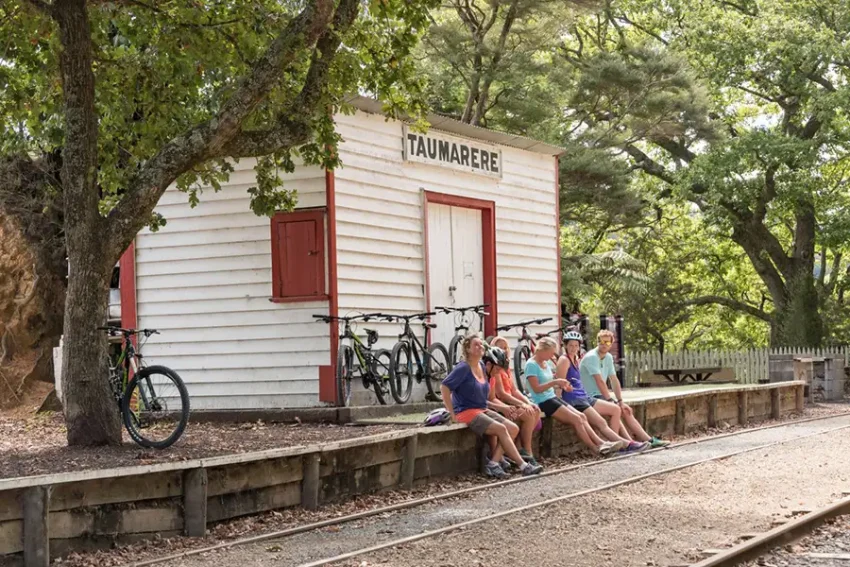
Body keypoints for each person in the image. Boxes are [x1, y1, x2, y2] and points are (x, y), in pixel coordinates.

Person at [441, 335, 544, 478]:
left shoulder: (482, 367)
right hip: (465, 411)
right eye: (475, 345)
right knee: (501, 429)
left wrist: (502, 408)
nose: (480, 347)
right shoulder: (464, 368)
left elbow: (485, 399)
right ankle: (524, 466)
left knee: (513, 428)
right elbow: (445, 387)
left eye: (481, 345)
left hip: (481, 409)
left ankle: (493, 463)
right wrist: (451, 412)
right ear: (468, 349)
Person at [524, 337, 625, 457]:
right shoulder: (531, 365)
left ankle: (602, 443)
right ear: (542, 350)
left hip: (552, 397)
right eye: (551, 352)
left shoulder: (544, 363)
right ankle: (595, 448)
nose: (552, 356)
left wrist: (563, 385)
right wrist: (555, 383)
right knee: (576, 420)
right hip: (543, 401)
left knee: (582, 416)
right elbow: (536, 388)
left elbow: (550, 382)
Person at [556, 330, 648, 452]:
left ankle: (625, 443)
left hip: (583, 397)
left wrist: (619, 400)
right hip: (574, 400)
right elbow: (559, 384)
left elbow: (612, 379)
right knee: (601, 422)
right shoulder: (564, 360)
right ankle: (625, 444)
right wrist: (561, 402)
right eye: (570, 345)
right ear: (565, 346)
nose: (573, 348)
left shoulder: (575, 359)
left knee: (616, 409)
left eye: (576, 345)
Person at [579, 329, 669, 448]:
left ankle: (646, 441)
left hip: (600, 395)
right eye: (601, 342)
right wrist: (611, 400)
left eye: (607, 342)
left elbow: (614, 379)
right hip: (589, 396)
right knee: (615, 409)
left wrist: (620, 400)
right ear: (597, 342)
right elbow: (600, 381)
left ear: (611, 344)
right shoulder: (592, 357)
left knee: (626, 410)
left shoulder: (608, 357)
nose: (604, 345)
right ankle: (618, 445)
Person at [484, 339, 541, 466]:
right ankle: (526, 451)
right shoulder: (495, 370)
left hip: (505, 403)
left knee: (534, 409)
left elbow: (514, 390)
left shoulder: (506, 369)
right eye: (501, 348)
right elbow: (502, 394)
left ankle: (520, 448)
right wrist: (517, 406)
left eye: (506, 347)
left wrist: (526, 401)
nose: (504, 350)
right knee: (527, 414)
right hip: (502, 403)